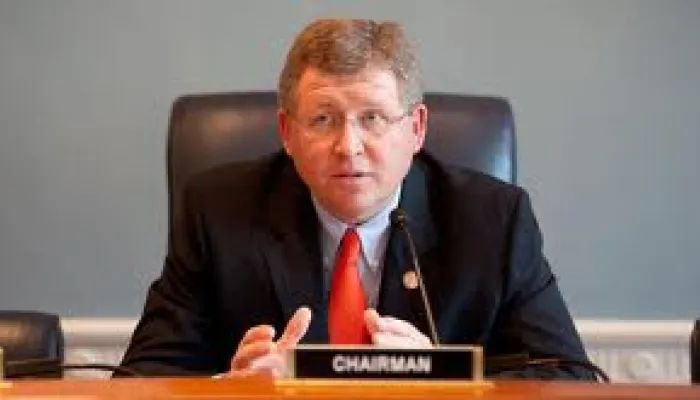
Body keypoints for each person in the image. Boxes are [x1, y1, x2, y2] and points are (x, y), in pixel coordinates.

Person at [117, 18, 595, 380]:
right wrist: (228, 388)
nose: (348, 146)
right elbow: (141, 379)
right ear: (287, 131)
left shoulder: (494, 221)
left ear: (416, 129)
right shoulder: (218, 211)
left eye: (373, 118)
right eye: (323, 119)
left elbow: (571, 379)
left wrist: (444, 382)